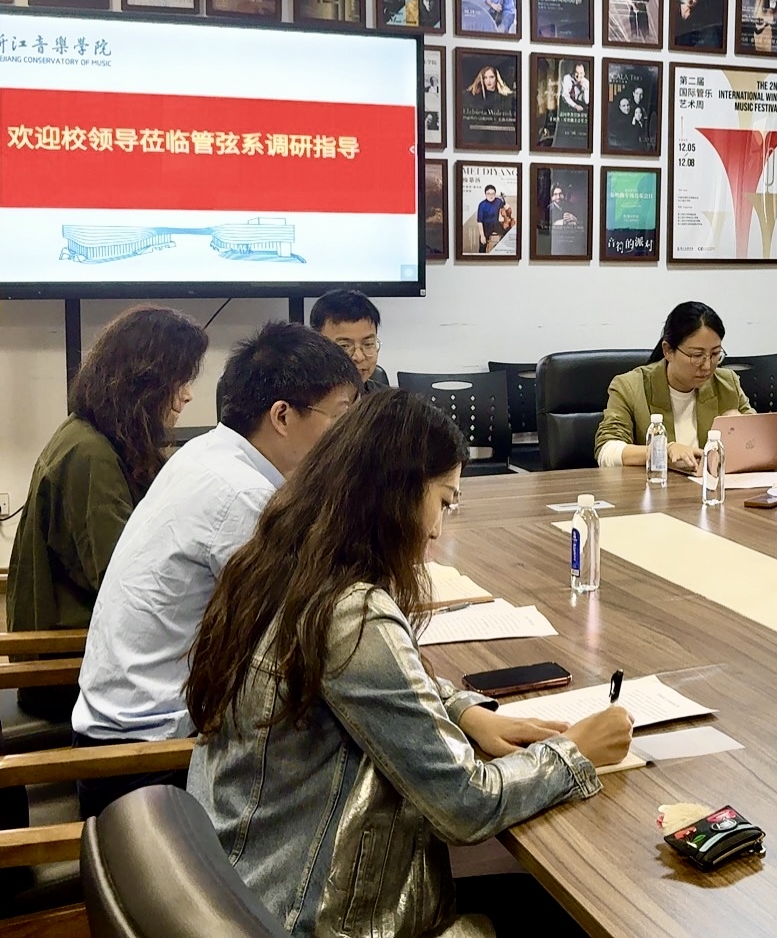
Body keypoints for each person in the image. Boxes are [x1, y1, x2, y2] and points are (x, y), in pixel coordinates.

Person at [185, 390, 633, 938]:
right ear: (396, 493)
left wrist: (464, 711)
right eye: (443, 501)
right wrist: (574, 752)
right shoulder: (352, 614)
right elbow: (465, 805)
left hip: (248, 881)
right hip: (306, 916)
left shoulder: (277, 567)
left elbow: (369, 682)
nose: (439, 529)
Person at [71, 323, 361, 816]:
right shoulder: (242, 496)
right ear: (282, 416)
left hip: (124, 734)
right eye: (339, 417)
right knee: (353, 754)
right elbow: (308, 632)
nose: (347, 436)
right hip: (146, 764)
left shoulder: (207, 452)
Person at [5, 306, 208, 720]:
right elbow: (127, 585)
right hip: (73, 670)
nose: (188, 395)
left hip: (90, 651)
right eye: (180, 380)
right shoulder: (90, 455)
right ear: (144, 383)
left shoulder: (95, 436)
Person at [596, 301, 755, 473]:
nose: (707, 366)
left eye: (715, 354)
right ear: (668, 351)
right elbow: (606, 451)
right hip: (656, 487)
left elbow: (760, 443)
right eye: (697, 355)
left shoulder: (727, 384)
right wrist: (662, 451)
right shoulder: (630, 387)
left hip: (713, 486)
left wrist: (743, 428)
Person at [309, 288, 390, 391]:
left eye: (368, 344)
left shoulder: (389, 399)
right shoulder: (297, 398)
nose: (359, 357)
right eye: (344, 346)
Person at [476, 183, 507, 250]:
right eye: (488, 193)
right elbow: (479, 221)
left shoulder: (498, 201)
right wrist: (482, 235)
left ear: (495, 194)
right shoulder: (482, 205)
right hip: (486, 226)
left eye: (493, 193)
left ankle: (497, 247)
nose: (491, 196)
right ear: (485, 194)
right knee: (482, 242)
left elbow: (504, 208)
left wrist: (504, 219)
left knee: (507, 234)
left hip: (496, 224)